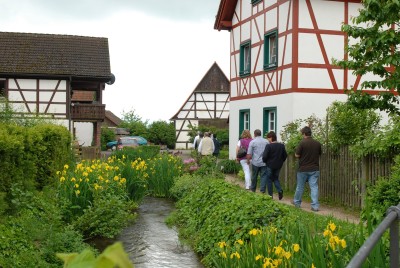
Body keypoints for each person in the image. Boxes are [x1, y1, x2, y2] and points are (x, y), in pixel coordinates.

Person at [293, 126, 322, 211]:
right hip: (314, 168)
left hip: (303, 169)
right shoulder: (317, 143)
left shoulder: (302, 143)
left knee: (300, 187)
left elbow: (297, 155)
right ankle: (315, 206)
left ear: (304, 133)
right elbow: (319, 153)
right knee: (314, 187)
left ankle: (297, 203)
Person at [262, 131, 287, 199]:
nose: (268, 140)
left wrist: (265, 161)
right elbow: (285, 155)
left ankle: (270, 195)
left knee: (269, 179)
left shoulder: (268, 146)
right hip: (278, 165)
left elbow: (264, 156)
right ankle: (280, 190)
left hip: (270, 165)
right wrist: (281, 161)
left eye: (268, 138)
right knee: (276, 178)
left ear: (271, 138)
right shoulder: (281, 146)